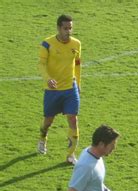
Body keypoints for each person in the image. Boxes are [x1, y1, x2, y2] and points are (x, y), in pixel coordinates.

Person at [38, 14, 82, 165]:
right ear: (58, 28)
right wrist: (47, 79)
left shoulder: (76, 44)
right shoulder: (47, 44)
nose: (68, 31)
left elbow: (77, 65)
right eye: (65, 28)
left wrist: (79, 84)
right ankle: (43, 138)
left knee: (73, 120)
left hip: (70, 88)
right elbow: (41, 64)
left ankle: (70, 155)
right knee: (48, 122)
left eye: (70, 28)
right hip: (52, 90)